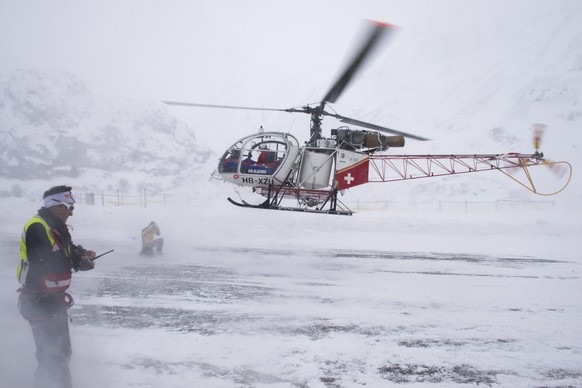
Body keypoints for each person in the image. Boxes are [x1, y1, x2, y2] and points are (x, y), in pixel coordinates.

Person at [17, 185, 96, 388]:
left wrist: (81, 256)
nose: (71, 212)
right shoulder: (37, 227)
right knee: (51, 356)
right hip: (39, 302)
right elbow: (48, 262)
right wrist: (78, 261)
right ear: (54, 206)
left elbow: (64, 251)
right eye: (68, 207)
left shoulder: (56, 226)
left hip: (53, 301)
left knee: (62, 353)